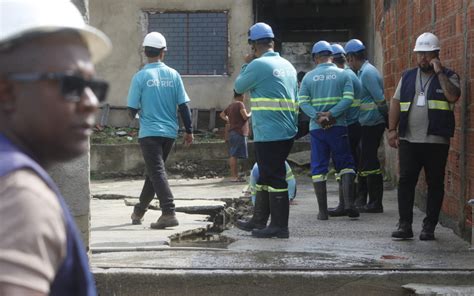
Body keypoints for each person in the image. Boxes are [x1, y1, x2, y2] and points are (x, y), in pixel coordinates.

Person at [0, 0, 111, 294]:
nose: (90, 101)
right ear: (7, 91)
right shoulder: (19, 196)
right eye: (71, 84)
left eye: (94, 86)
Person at [388, 32, 460, 241]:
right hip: (409, 140)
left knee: (435, 183)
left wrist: (439, 73)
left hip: (436, 141)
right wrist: (392, 130)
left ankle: (429, 227)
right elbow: (395, 102)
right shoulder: (408, 76)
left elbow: (453, 96)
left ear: (436, 54)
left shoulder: (449, 75)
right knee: (406, 182)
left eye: (427, 54)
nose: (422, 58)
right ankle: (404, 225)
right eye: (419, 54)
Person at [233, 22, 298, 238]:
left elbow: (238, 87)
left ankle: (280, 227)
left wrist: (246, 64)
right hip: (285, 129)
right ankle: (259, 220)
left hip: (270, 131)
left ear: (253, 45)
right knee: (263, 173)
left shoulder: (258, 65)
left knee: (274, 176)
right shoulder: (287, 65)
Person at [127, 32, 194, 229]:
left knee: (156, 171)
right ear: (163, 52)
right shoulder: (174, 75)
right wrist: (189, 131)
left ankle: (169, 211)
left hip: (149, 133)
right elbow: (183, 106)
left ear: (145, 52)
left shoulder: (140, 77)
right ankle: (139, 210)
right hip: (169, 134)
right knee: (154, 173)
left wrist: (140, 115)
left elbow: (131, 110)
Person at [299, 41, 358, 220]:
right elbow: (348, 99)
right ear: (331, 56)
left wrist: (318, 117)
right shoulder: (343, 75)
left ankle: (322, 212)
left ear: (315, 58)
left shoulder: (308, 77)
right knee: (345, 165)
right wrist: (331, 115)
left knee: (319, 167)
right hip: (338, 126)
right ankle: (349, 205)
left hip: (317, 129)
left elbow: (302, 102)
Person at [345, 39, 387, 213]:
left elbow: (380, 100)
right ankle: (364, 199)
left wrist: (390, 125)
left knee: (370, 162)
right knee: (363, 161)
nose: (348, 62)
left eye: (348, 58)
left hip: (373, 123)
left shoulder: (368, 73)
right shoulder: (361, 72)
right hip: (365, 123)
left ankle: (376, 202)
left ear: (353, 57)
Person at [327, 44, 363, 217]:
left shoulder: (343, 76)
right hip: (353, 125)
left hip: (346, 126)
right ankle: (348, 203)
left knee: (344, 165)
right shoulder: (351, 74)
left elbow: (342, 104)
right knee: (348, 165)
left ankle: (347, 204)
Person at [220, 91, 251, 182]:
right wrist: (251, 113)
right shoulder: (240, 104)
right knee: (234, 155)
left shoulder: (230, 106)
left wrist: (228, 120)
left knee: (234, 154)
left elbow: (221, 114)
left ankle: (236, 175)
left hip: (233, 132)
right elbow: (245, 117)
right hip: (239, 132)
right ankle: (234, 176)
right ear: (242, 96)